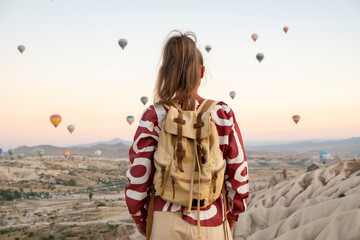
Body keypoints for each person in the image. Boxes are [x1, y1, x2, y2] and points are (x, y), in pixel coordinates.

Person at [125, 30, 249, 240]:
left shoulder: (154, 115)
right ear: (201, 73)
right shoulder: (222, 113)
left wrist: (141, 219)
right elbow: (239, 174)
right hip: (213, 220)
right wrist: (234, 214)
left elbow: (138, 178)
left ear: (166, 73)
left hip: (164, 221)